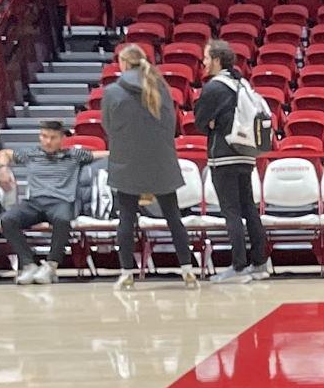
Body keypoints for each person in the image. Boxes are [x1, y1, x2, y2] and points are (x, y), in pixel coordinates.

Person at [102, 43, 200, 289]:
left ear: (123, 64)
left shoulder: (112, 92)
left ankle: (126, 272)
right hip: (161, 160)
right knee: (174, 217)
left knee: (126, 219)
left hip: (127, 162)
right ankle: (187, 269)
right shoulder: (162, 88)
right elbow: (171, 125)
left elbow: (108, 126)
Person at [193, 39, 272, 280]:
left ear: (217, 60)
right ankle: (259, 263)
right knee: (249, 208)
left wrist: (211, 124)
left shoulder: (214, 87)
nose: (203, 63)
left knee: (231, 211)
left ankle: (238, 267)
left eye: (206, 58)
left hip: (223, 156)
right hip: (246, 154)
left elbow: (198, 121)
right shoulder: (242, 83)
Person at [0, 119, 96, 283]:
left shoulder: (74, 155)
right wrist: (3, 169)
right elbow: (3, 153)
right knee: (7, 219)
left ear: (62, 138)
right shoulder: (31, 154)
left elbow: (102, 155)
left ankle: (51, 266)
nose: (48, 141)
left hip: (61, 201)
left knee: (63, 219)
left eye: (53, 137)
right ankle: (29, 265)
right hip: (34, 202)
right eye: (44, 136)